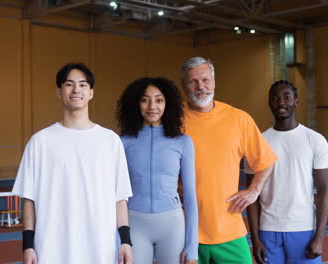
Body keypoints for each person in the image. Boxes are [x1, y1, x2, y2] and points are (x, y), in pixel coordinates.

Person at [12, 62, 133, 264]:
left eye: (83, 85)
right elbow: (29, 200)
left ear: (91, 93)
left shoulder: (110, 140)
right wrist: (28, 246)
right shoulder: (40, 141)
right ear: (59, 92)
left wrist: (126, 242)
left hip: (100, 249)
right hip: (51, 250)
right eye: (69, 84)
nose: (76, 89)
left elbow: (120, 198)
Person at [180, 57, 277, 264]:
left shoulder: (239, 119)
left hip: (230, 231)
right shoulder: (172, 120)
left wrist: (254, 191)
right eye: (193, 82)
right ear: (184, 86)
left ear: (214, 83)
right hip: (185, 232)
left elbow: (266, 161)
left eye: (205, 80)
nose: (200, 87)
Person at [247, 80, 328, 264]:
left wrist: (319, 237)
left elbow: (325, 191)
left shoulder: (315, 140)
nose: (281, 102)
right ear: (269, 103)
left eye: (286, 97)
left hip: (303, 229)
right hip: (268, 230)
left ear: (296, 101)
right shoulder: (258, 142)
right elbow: (251, 197)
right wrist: (255, 240)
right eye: (275, 98)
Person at [117, 77, 198, 264]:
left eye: (159, 100)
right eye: (145, 100)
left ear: (167, 104)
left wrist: (192, 247)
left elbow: (191, 196)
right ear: (136, 104)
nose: (152, 106)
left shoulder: (183, 142)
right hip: (135, 224)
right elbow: (116, 194)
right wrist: (119, 238)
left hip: (172, 226)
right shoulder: (123, 142)